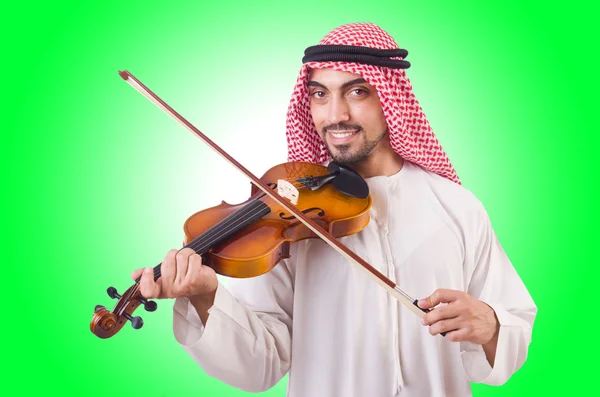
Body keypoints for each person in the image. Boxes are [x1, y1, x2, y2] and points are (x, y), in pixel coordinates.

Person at [132, 23, 537, 397]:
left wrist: (491, 326)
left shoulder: (457, 207)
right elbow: (261, 364)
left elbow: (513, 322)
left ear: (391, 97)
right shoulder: (288, 222)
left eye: (357, 91)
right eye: (320, 94)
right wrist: (206, 297)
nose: (335, 115)